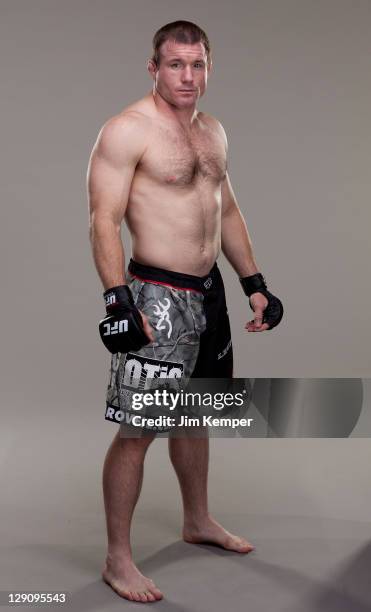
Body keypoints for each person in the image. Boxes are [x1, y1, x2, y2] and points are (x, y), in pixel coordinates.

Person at [87, 20, 283, 604]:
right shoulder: (127, 131)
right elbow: (102, 220)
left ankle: (196, 520)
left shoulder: (213, 133)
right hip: (156, 297)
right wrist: (117, 299)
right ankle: (117, 558)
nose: (187, 76)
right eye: (175, 65)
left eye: (197, 65)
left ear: (208, 67)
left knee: (197, 413)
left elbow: (225, 212)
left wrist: (254, 282)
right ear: (154, 67)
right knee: (139, 430)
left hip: (210, 293)